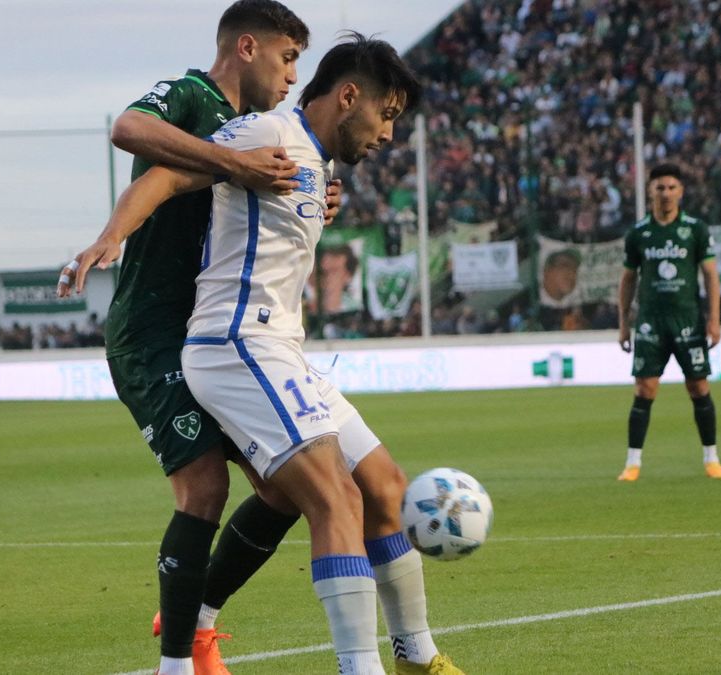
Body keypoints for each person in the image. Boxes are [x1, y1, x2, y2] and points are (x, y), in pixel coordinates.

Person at [64, 32, 463, 675]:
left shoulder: (316, 159)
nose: (389, 134)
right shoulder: (262, 135)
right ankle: (358, 667)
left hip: (282, 347)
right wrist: (107, 240)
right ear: (350, 96)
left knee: (384, 487)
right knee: (336, 500)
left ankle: (419, 655)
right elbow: (165, 177)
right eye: (386, 115)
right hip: (236, 344)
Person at [60, 4, 324, 674]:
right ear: (246, 47)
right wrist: (114, 235)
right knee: (204, 487)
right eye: (287, 56)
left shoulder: (261, 132)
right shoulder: (190, 95)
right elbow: (130, 130)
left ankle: (194, 611)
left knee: (288, 485)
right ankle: (178, 662)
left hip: (217, 338)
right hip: (150, 330)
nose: (293, 74)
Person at [617, 163, 721, 482]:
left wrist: (715, 320)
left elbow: (710, 275)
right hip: (651, 321)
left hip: (688, 320)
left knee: (698, 386)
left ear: (680, 192)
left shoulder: (695, 230)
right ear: (650, 191)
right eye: (660, 188)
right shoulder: (639, 233)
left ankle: (712, 458)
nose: (665, 193)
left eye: (671, 187)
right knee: (644, 388)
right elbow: (628, 280)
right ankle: (632, 464)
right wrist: (624, 323)